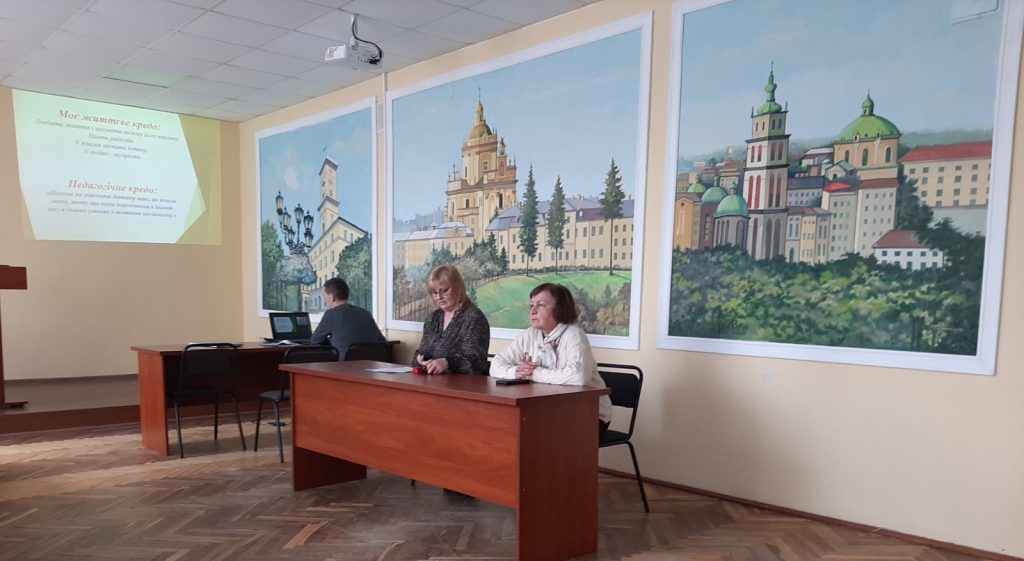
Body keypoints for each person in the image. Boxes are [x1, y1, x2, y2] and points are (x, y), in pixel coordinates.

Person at [490, 283, 612, 436]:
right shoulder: (529, 334)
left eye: (541, 305)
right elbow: (495, 365)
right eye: (531, 305)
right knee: (503, 426)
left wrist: (535, 373)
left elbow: (579, 377)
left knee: (530, 433)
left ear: (560, 308)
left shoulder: (574, 335)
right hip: (549, 410)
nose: (533, 311)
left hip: (588, 414)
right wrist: (517, 372)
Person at [414, 265, 490, 375]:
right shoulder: (433, 318)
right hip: (432, 381)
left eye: (444, 291)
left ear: (458, 288)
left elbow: (476, 361)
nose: (439, 297)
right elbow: (421, 352)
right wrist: (420, 360)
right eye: (435, 293)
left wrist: (447, 363)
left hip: (465, 384)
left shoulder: (473, 318)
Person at [311, 278, 386, 359]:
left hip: (344, 365)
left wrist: (332, 344)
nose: (324, 300)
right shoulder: (366, 313)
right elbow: (381, 341)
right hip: (369, 364)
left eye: (324, 296)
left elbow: (315, 341)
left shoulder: (331, 314)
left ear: (332, 297)